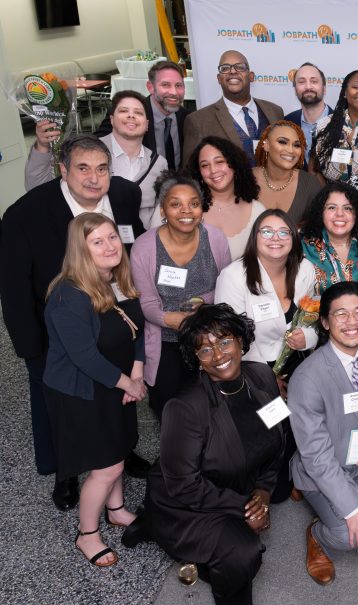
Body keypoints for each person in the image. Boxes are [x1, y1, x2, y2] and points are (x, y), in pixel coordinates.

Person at [0, 134, 144, 511]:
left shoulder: (125, 196)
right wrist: (30, 348)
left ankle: (119, 456)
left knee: (117, 395)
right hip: (58, 333)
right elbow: (13, 286)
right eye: (83, 168)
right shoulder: (26, 213)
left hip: (115, 322)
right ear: (63, 170)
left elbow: (131, 252)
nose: (94, 179)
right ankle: (66, 475)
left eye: (102, 169)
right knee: (61, 408)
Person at [144, 304, 286, 604]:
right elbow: (184, 485)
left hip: (236, 482)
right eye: (204, 350)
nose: (218, 355)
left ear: (240, 340)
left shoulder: (262, 376)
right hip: (186, 502)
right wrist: (246, 508)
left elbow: (278, 441)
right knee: (245, 554)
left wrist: (262, 491)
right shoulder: (184, 408)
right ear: (196, 360)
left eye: (224, 342)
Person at [43, 213, 146, 567]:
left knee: (118, 451)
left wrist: (138, 370)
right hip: (82, 390)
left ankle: (115, 510)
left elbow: (137, 327)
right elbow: (84, 356)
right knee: (106, 467)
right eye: (97, 241)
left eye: (112, 237)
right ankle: (86, 534)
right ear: (80, 250)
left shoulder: (116, 277)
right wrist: (128, 382)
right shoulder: (67, 295)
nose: (110, 246)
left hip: (116, 381)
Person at [290, 282, 358, 586]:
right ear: (325, 322)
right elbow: (317, 456)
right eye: (341, 314)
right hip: (324, 467)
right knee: (357, 537)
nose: (352, 322)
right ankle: (316, 533)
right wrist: (353, 509)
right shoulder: (307, 378)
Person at [131, 173, 232, 421]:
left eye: (194, 203)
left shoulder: (215, 238)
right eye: (176, 204)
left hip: (210, 338)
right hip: (166, 341)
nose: (186, 211)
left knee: (214, 408)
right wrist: (172, 319)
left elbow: (227, 287)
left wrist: (199, 304)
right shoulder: (144, 247)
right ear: (163, 209)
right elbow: (148, 304)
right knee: (171, 412)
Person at [26, 90, 169, 225]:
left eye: (138, 112)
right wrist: (42, 146)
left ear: (147, 124)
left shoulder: (158, 163)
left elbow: (160, 209)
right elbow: (36, 187)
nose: (131, 115)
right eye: (123, 111)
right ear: (112, 120)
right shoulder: (85, 152)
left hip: (139, 241)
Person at [215, 209, 317, 376]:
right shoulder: (232, 277)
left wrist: (307, 337)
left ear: (293, 238)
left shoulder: (305, 269)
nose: (275, 238)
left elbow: (313, 317)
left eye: (284, 232)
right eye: (267, 231)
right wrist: (266, 377)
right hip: (253, 366)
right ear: (255, 237)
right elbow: (231, 336)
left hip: (300, 359)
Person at [182, 50, 285, 166]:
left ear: (251, 76)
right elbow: (189, 171)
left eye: (240, 67)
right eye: (225, 68)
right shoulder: (198, 121)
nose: (232, 71)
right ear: (219, 78)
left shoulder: (275, 112)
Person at [92, 60, 191, 170]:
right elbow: (95, 144)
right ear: (150, 87)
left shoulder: (188, 118)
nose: (174, 92)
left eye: (179, 85)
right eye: (165, 85)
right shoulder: (129, 115)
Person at [185, 136, 266, 259]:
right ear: (199, 172)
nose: (213, 170)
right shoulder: (181, 209)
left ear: (234, 164)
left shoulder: (258, 211)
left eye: (219, 162)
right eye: (205, 165)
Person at [300, 181, 358, 295]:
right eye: (332, 208)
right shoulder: (302, 248)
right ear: (321, 212)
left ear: (357, 213)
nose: (340, 214)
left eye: (348, 208)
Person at [253, 120, 321, 224]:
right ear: (266, 145)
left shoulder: (310, 184)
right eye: (282, 142)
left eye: (297, 145)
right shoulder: (245, 178)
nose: (290, 150)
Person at [284, 62, 332, 162]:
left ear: (324, 89)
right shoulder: (287, 122)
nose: (308, 87)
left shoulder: (343, 123)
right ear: (295, 90)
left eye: (314, 81)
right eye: (302, 82)